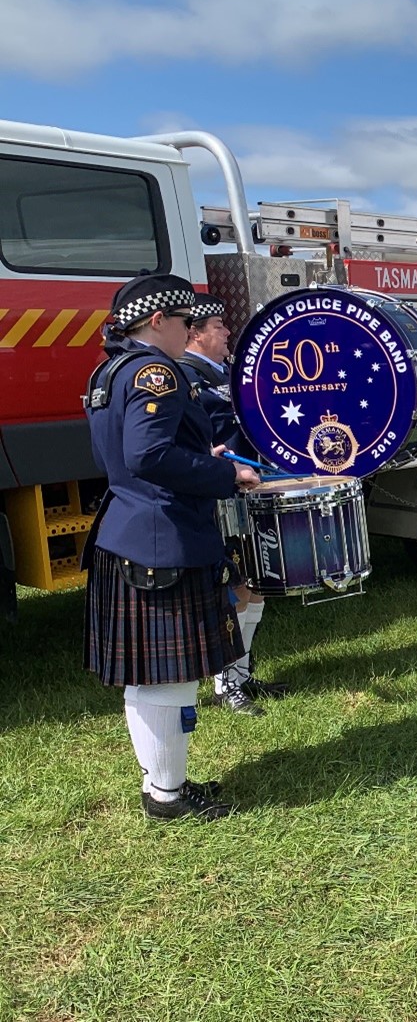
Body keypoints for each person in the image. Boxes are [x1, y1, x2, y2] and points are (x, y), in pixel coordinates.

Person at [82, 274, 261, 821]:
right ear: (156, 320)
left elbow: (126, 453)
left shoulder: (108, 369)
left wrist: (197, 452)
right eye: (184, 321)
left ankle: (162, 780)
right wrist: (223, 472)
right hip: (163, 539)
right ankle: (168, 794)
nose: (189, 330)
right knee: (170, 678)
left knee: (147, 676)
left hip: (130, 530)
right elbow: (149, 456)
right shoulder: (156, 372)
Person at [176, 293, 287, 716]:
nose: (226, 332)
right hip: (221, 494)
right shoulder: (187, 375)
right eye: (218, 326)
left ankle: (240, 675)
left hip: (247, 489)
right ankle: (225, 683)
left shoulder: (224, 371)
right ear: (195, 334)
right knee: (233, 591)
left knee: (254, 588)